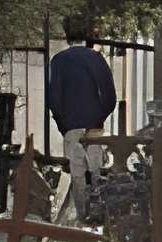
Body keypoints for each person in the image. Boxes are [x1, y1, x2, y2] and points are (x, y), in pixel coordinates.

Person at [45, 16, 116, 214]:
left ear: (67, 35)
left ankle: (83, 217)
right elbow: (110, 96)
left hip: (72, 125)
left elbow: (54, 99)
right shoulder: (96, 59)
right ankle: (102, 216)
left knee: (77, 175)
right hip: (94, 125)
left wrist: (63, 124)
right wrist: (98, 117)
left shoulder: (59, 61)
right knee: (97, 172)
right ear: (87, 35)